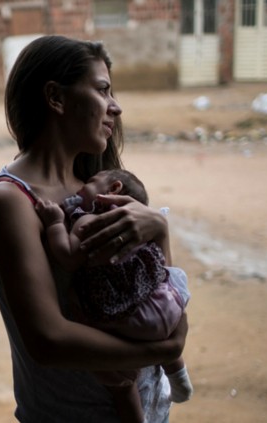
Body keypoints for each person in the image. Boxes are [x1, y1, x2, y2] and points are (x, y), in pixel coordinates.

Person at [0, 34, 187, 422]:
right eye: (103, 90)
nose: (116, 107)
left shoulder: (93, 190)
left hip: (150, 409)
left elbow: (154, 290)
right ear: (55, 98)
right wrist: (158, 352)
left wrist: (158, 229)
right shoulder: (11, 201)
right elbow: (48, 340)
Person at [35, 168, 193, 422]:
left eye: (90, 182)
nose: (81, 188)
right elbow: (162, 266)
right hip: (164, 307)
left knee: (121, 381)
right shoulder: (138, 222)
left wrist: (54, 223)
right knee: (162, 331)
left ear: (114, 189)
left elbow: (68, 257)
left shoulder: (88, 221)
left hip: (123, 320)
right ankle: (180, 379)